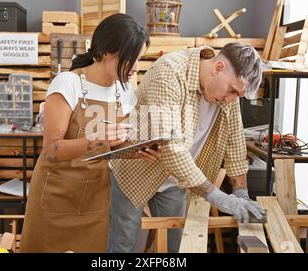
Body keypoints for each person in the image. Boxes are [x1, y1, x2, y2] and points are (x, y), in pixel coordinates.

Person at [108, 42, 266, 253]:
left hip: (177, 179)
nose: (230, 100)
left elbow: (235, 139)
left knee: (179, 248)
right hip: (136, 171)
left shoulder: (228, 93)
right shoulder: (169, 73)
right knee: (123, 246)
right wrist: (218, 197)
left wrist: (241, 193)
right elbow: (171, 148)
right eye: (232, 91)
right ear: (218, 68)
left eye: (237, 95)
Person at [20, 13, 158, 253]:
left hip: (95, 198)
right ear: (106, 52)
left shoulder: (124, 93)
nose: (136, 67)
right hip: (56, 197)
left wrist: (134, 151)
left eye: (139, 58)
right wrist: (98, 139)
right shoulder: (68, 83)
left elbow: (111, 147)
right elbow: (52, 150)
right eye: (131, 58)